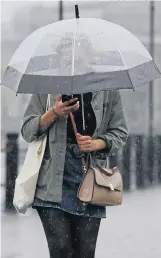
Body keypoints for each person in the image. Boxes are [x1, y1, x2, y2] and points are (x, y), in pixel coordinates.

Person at [21, 36, 128, 258]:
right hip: (52, 183)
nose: (73, 63)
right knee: (61, 251)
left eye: (79, 58)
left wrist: (96, 143)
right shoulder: (48, 88)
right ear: (61, 59)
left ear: (89, 58)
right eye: (68, 59)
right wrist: (53, 113)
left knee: (85, 253)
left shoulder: (107, 89)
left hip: (91, 180)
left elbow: (120, 133)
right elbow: (27, 130)